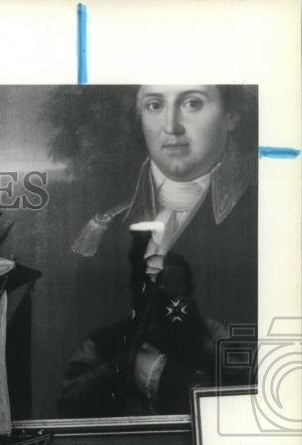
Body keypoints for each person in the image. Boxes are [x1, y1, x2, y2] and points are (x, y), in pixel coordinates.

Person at [60, 84, 257, 417]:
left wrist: (164, 377)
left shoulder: (269, 223)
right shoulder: (104, 232)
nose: (171, 126)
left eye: (192, 103)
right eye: (153, 105)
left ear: (232, 116)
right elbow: (68, 378)